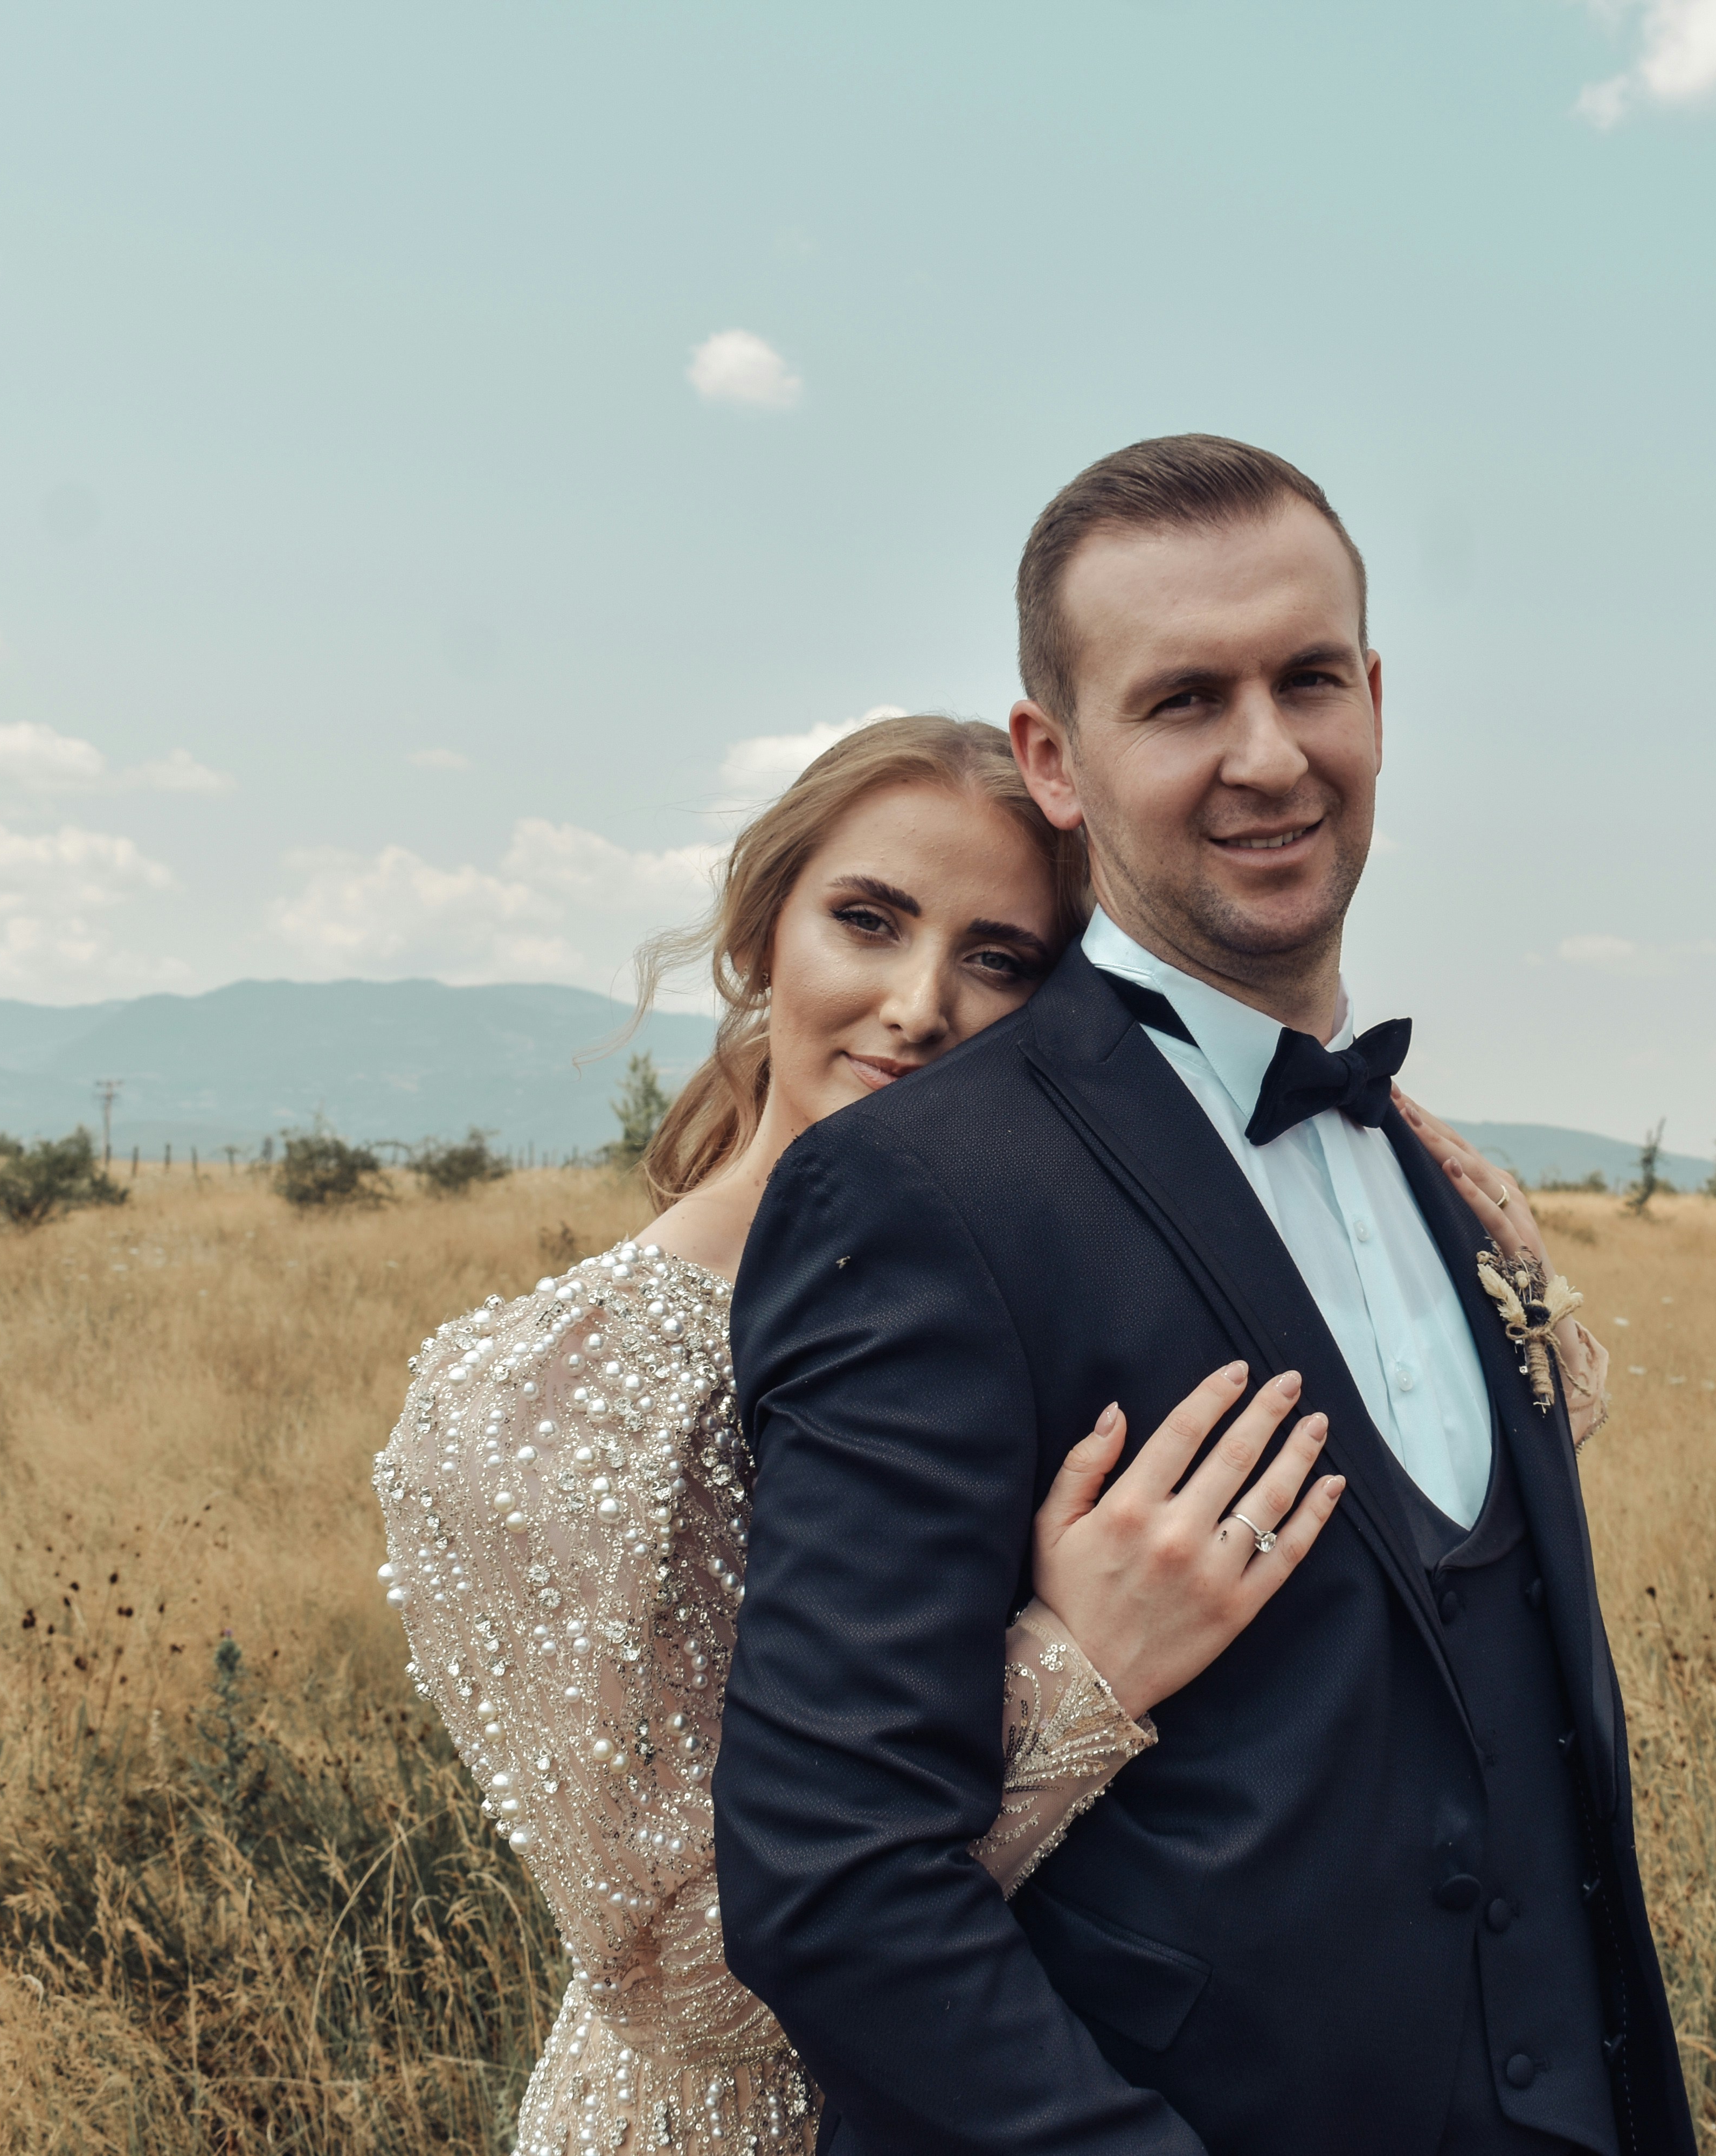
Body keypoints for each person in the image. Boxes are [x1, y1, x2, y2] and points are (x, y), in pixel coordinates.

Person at [714, 437, 1688, 2154]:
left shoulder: (1439, 1180)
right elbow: (834, 1883)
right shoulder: (919, 1190)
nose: (1269, 756)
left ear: (1376, 697)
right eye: (1181, 701)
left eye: (1310, 679)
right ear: (1057, 760)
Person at [370, 716, 1373, 2155]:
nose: (919, 1007)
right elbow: (673, 1982)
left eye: (1002, 959)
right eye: (869, 921)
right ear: (761, 935)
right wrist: (1078, 1676)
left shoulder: (1064, 1318)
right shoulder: (548, 1393)